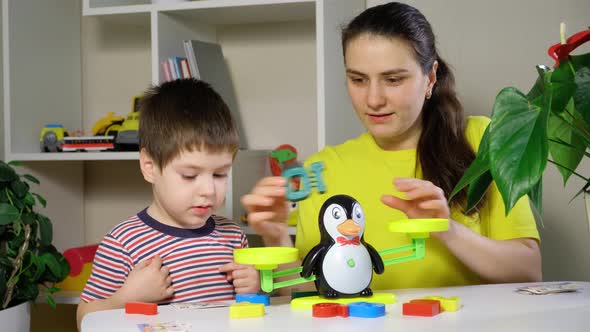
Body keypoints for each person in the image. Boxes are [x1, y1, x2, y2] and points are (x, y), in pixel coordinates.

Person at [242, 2, 541, 292]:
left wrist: (446, 230)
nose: (373, 99)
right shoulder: (322, 169)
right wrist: (277, 237)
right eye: (358, 79)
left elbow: (528, 271)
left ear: (431, 77)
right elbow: (314, 287)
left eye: (393, 79)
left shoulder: (482, 139)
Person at [77, 79, 260, 328]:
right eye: (189, 175)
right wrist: (125, 299)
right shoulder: (123, 242)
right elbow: (84, 320)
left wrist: (255, 288)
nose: (208, 190)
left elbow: (252, 315)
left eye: (219, 174)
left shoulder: (233, 236)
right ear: (149, 167)